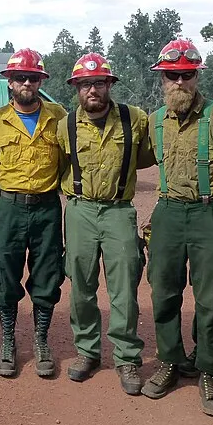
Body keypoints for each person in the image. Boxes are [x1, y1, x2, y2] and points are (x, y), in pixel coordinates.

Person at [143, 38, 213, 417]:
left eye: (187, 75)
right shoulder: (155, 120)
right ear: (162, 80)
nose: (180, 83)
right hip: (168, 211)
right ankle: (170, 360)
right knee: (164, 292)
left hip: (208, 215)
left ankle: (207, 370)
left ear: (197, 77)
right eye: (172, 76)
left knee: (211, 298)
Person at [56, 53, 155, 395]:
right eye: (85, 84)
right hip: (80, 209)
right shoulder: (65, 125)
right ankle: (87, 351)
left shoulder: (135, 119)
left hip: (118, 211)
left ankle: (126, 356)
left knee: (124, 287)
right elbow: (58, 167)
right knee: (81, 284)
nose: (93, 90)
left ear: (110, 85)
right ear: (76, 89)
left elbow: (150, 155)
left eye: (99, 83)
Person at [0, 49, 67, 378]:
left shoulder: (59, 116)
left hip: (47, 205)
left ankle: (41, 340)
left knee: (48, 272)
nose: (27, 83)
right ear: (10, 81)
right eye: (20, 77)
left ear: (41, 81)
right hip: (10, 206)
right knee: (4, 269)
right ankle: (8, 339)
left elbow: (68, 158)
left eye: (33, 78)